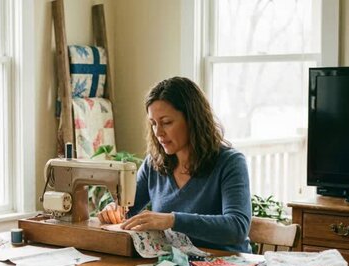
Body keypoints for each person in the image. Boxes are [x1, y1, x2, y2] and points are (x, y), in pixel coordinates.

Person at [97, 76, 252, 253]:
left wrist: (172, 220)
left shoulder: (230, 162)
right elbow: (126, 207)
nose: (158, 132)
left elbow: (237, 227)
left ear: (193, 119)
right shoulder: (154, 163)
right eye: (153, 124)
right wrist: (113, 209)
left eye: (166, 122)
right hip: (178, 265)